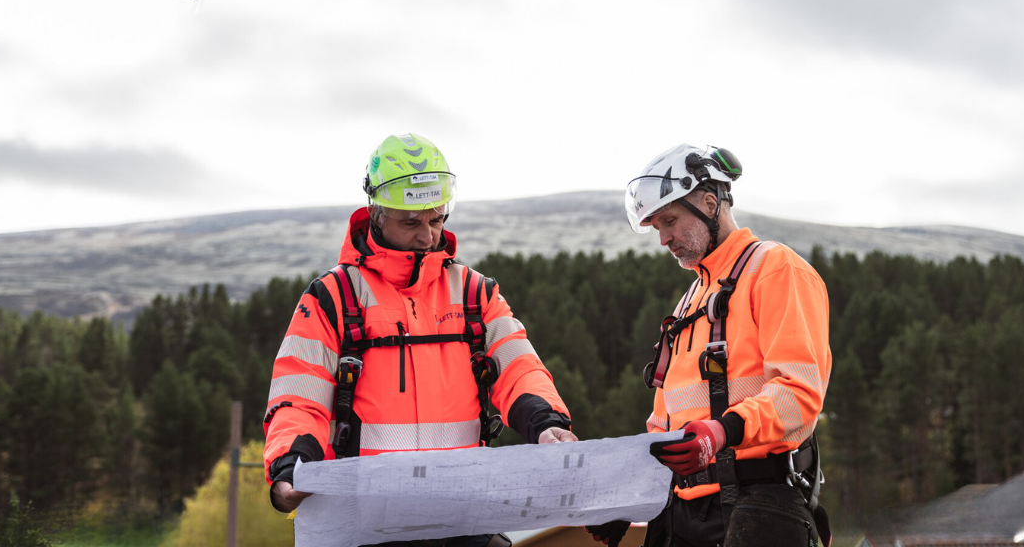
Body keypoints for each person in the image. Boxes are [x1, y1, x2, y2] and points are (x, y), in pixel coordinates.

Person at [263, 132, 577, 547]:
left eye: (437, 219)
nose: (428, 236)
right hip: (365, 522)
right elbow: (298, 397)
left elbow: (519, 368)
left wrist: (546, 423)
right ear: (376, 213)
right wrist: (291, 467)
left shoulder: (474, 293)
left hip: (463, 517)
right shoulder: (332, 299)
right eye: (411, 222)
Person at [589, 144, 833, 547]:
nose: (664, 239)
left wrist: (722, 431)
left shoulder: (775, 269)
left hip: (758, 507)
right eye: (655, 227)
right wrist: (629, 500)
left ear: (709, 202)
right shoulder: (691, 299)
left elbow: (799, 392)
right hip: (682, 514)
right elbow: (663, 424)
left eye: (670, 220)